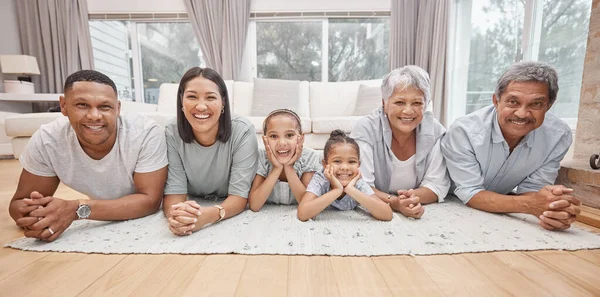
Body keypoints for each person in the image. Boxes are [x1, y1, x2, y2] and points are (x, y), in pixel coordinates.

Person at [8, 70, 168, 242]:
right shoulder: (48, 140)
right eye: (82, 105)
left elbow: (150, 201)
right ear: (63, 106)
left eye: (104, 106)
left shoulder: (144, 133)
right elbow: (19, 203)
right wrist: (38, 216)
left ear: (118, 108)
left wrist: (77, 209)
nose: (94, 116)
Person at [441, 61, 580, 230]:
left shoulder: (558, 136)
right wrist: (531, 204)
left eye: (536, 104)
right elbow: (471, 194)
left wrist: (552, 208)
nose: (522, 113)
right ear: (496, 101)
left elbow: (532, 190)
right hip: (447, 200)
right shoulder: (464, 131)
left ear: (549, 105)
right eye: (513, 102)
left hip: (498, 201)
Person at [163, 67, 258, 236]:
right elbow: (174, 193)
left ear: (223, 103)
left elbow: (239, 197)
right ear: (181, 101)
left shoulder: (243, 131)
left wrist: (208, 216)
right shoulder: (171, 132)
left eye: (210, 97)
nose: (201, 106)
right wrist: (178, 217)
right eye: (192, 96)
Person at [350, 65, 449, 219]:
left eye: (417, 103)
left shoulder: (436, 131)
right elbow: (361, 185)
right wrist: (394, 202)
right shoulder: (366, 129)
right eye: (400, 102)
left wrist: (411, 198)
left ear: (426, 104)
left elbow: (437, 185)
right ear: (384, 104)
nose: (408, 111)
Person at [297, 130, 393, 221]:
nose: (345, 167)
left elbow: (387, 214)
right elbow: (302, 213)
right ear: (325, 164)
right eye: (337, 161)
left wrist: (350, 190)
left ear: (359, 165)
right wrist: (337, 190)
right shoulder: (321, 179)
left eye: (351, 162)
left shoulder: (357, 182)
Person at [248, 109, 321, 211]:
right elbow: (254, 205)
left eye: (289, 135)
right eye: (274, 136)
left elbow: (308, 205)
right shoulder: (262, 157)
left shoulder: (309, 157)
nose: (282, 143)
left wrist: (289, 167)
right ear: (265, 140)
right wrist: (276, 168)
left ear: (301, 138)